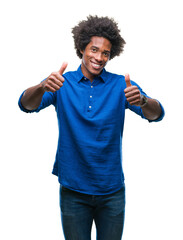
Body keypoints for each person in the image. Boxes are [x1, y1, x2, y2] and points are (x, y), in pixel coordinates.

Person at [18, 15, 165, 240]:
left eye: (105, 53)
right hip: (73, 191)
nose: (99, 57)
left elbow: (157, 115)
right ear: (82, 48)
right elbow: (26, 105)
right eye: (94, 50)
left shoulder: (120, 85)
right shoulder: (61, 83)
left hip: (112, 192)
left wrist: (143, 101)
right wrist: (41, 86)